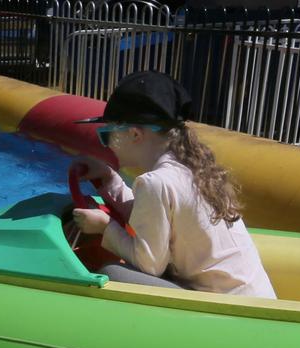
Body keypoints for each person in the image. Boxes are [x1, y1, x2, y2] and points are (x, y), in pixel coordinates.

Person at [72, 71, 276, 298]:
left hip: (226, 306)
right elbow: (152, 221)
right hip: (252, 296)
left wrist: (105, 227)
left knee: (112, 273)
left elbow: (149, 265)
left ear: (134, 134)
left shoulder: (155, 182)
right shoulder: (191, 167)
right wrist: (110, 181)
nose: (107, 145)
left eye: (107, 135)